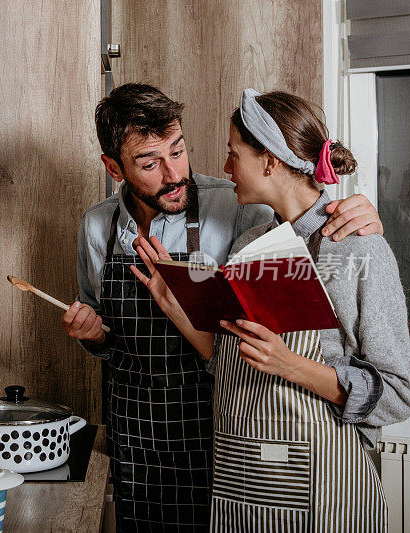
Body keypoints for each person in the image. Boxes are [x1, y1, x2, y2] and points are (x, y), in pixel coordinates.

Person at [61, 83, 384, 532]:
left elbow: (306, 231)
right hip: (136, 438)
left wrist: (356, 216)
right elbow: (121, 339)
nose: (175, 173)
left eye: (178, 151)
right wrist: (95, 336)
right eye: (150, 163)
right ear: (113, 167)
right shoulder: (97, 226)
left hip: (221, 438)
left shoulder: (239, 211)